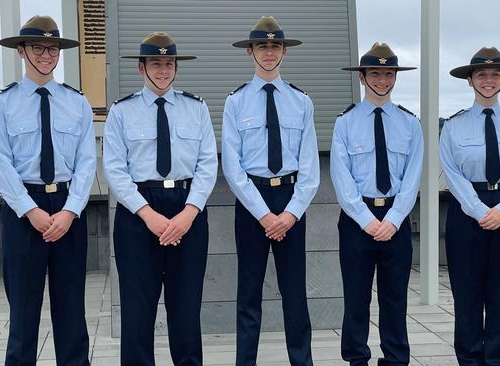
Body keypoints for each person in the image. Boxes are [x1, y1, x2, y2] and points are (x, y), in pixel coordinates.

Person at [0, 15, 95, 365]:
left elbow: (86, 162)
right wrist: (29, 210)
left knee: (71, 313)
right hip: (23, 211)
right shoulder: (2, 102)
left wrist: (70, 210)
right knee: (23, 313)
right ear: (22, 51)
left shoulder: (76, 102)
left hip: (67, 209)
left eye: (53, 48)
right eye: (38, 47)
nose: (47, 55)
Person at [103, 32, 217, 366]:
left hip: (187, 208)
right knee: (138, 312)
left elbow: (208, 164)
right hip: (138, 214)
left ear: (176, 68)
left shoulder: (196, 108)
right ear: (142, 68)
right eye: (156, 63)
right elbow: (114, 168)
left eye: (169, 63)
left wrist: (189, 213)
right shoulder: (122, 112)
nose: (163, 70)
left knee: (185, 309)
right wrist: (147, 214)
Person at [221, 15, 319, 366]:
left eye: (274, 46)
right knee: (248, 294)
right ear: (250, 52)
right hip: (252, 205)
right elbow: (232, 167)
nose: (268, 52)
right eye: (261, 46)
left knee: (295, 294)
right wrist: (264, 214)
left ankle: (301, 361)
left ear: (283, 52)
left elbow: (310, 168)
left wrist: (290, 214)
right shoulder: (235, 102)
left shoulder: (301, 101)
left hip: (290, 202)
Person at [440, 47, 500, 366]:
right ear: (470, 80)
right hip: (467, 214)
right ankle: (469, 359)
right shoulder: (453, 126)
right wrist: (480, 211)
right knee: (467, 294)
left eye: (495, 74)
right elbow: (452, 174)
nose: (488, 80)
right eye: (481, 74)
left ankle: (499, 359)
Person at [331, 42, 423, 366]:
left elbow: (413, 178)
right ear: (362, 77)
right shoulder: (345, 122)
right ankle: (357, 359)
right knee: (356, 300)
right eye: (375, 73)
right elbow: (341, 177)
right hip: (358, 221)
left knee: (395, 299)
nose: (382, 80)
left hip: (395, 219)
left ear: (395, 77)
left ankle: (396, 359)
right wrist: (367, 220)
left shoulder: (411, 124)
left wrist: (394, 219)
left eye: (388, 73)